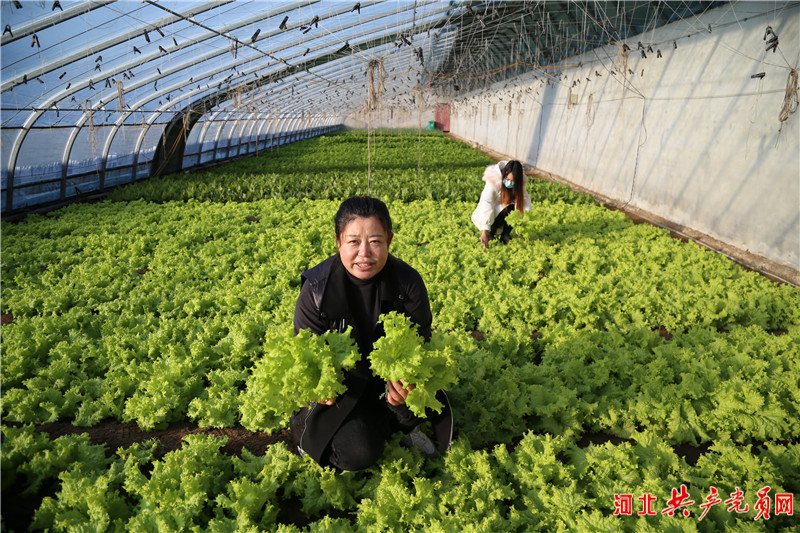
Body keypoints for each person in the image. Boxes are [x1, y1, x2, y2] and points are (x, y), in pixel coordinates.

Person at [292, 196, 453, 471]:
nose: (364, 253)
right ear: (338, 241)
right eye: (353, 241)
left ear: (389, 240)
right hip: (345, 389)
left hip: (386, 382)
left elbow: (421, 344)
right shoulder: (317, 290)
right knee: (359, 453)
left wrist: (406, 381)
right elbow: (306, 357)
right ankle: (335, 435)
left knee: (422, 391)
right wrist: (320, 386)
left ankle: (399, 426)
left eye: (376, 241)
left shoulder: (408, 283)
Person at [470, 160, 531, 249]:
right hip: (490, 213)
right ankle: (491, 233)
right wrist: (484, 232)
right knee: (505, 207)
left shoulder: (518, 185)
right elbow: (487, 204)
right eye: (508, 179)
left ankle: (505, 234)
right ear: (504, 174)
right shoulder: (493, 182)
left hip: (502, 212)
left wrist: (524, 222)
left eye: (513, 181)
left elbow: (525, 202)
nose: (510, 182)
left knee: (514, 208)